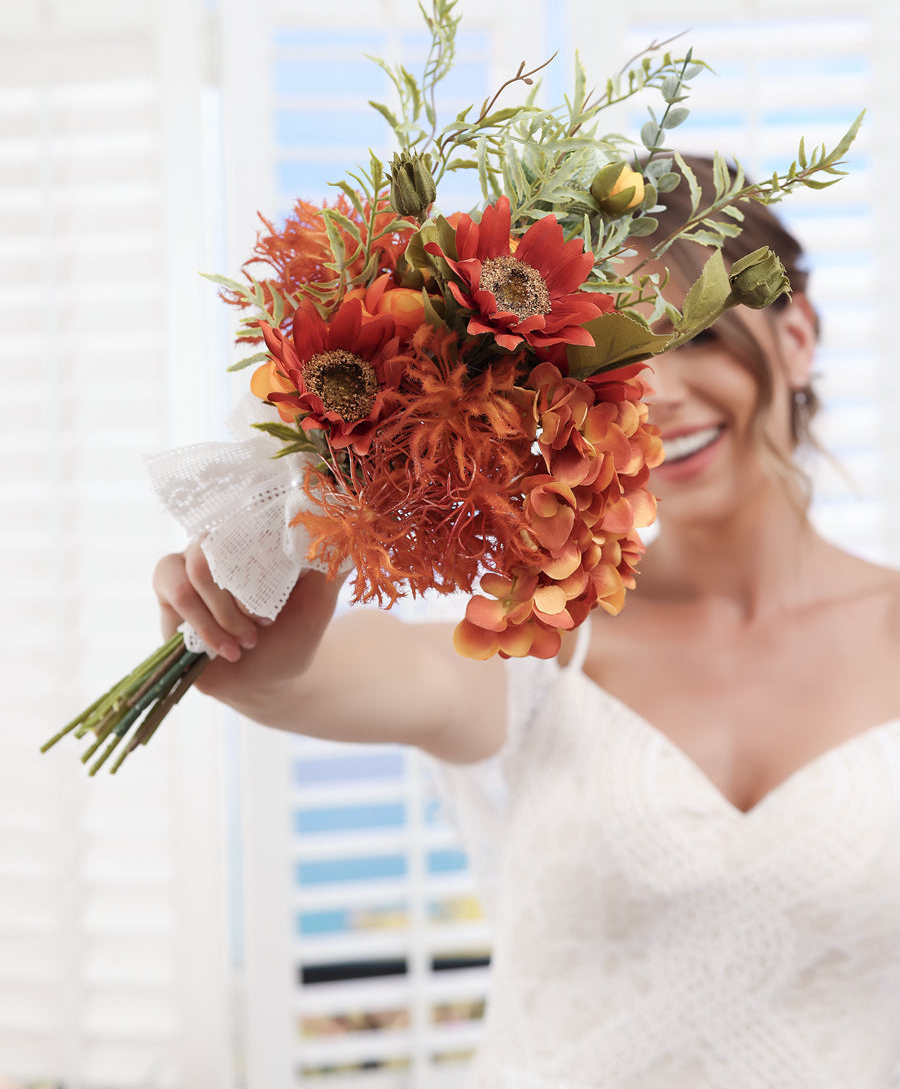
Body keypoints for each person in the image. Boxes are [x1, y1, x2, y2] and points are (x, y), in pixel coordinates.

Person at [153, 158, 900, 1086]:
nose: (658, 391)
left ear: (797, 337)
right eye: (617, 360)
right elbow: (287, 676)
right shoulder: (537, 637)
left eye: (698, 335)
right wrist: (250, 625)